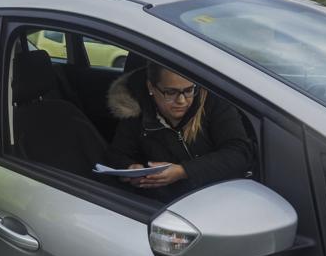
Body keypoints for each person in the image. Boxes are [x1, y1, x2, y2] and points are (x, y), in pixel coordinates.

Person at [106, 61, 253, 202]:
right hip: (167, 206)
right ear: (151, 87)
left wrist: (183, 171)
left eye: (189, 90)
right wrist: (131, 169)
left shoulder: (214, 102)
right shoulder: (136, 111)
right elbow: (117, 155)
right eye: (170, 92)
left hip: (222, 197)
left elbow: (239, 152)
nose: (182, 101)